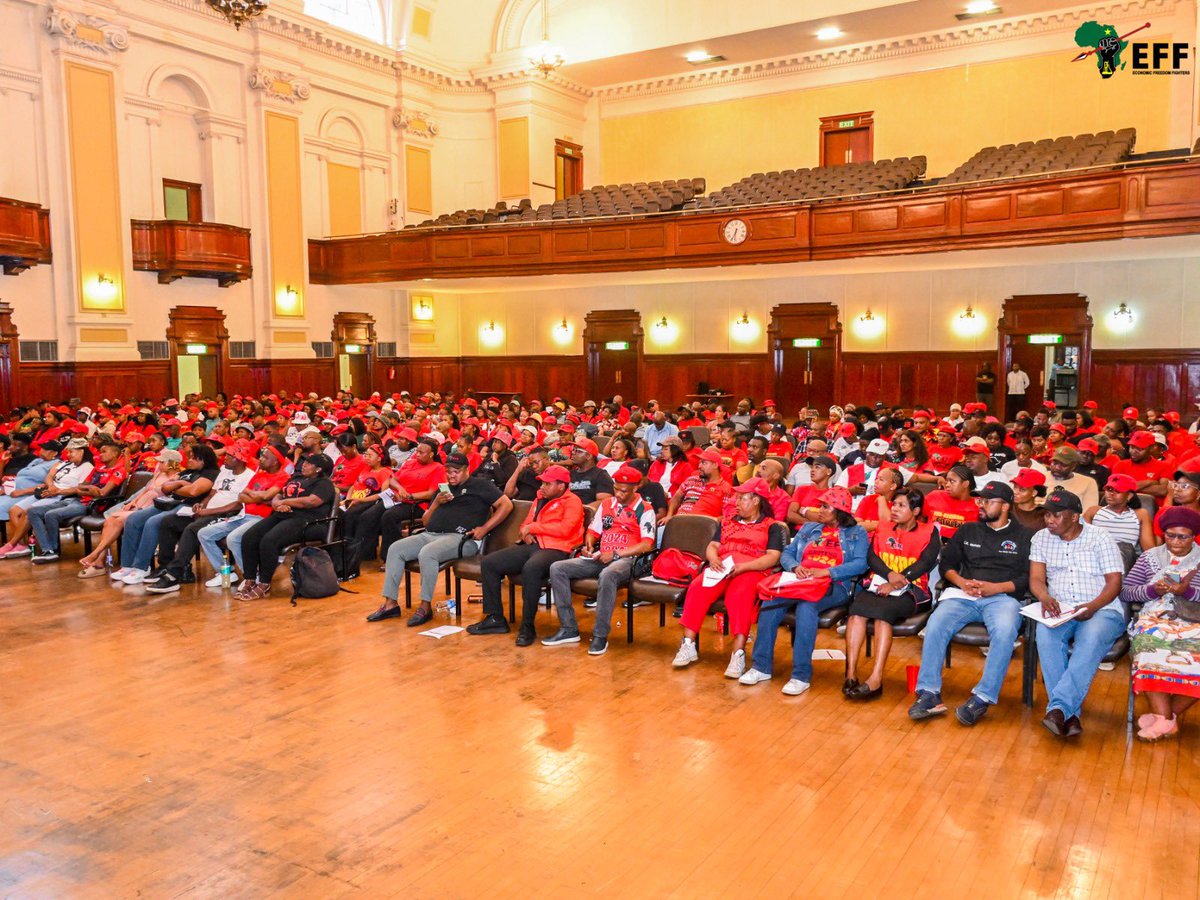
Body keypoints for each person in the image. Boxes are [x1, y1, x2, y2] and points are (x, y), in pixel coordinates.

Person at [909, 482, 1034, 726]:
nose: (981, 505)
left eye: (988, 501)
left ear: (1005, 506)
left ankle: (983, 697)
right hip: (963, 594)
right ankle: (929, 693)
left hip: (1002, 597)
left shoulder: (1025, 536)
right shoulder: (968, 530)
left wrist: (996, 588)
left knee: (1005, 632)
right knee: (935, 624)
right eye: (980, 500)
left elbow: (1028, 577)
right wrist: (962, 582)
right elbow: (947, 565)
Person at [737, 486, 867, 695]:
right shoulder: (809, 528)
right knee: (770, 603)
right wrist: (795, 567)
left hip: (834, 584)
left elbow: (861, 564)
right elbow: (787, 553)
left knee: (807, 607)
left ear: (840, 511)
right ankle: (761, 667)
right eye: (820, 506)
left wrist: (828, 572)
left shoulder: (857, 533)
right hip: (800, 580)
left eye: (825, 507)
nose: (819, 510)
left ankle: (800, 675)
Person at [369, 452, 514, 627]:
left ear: (467, 470)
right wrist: (437, 502)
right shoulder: (443, 489)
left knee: (428, 553)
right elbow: (425, 521)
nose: (451, 476)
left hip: (462, 539)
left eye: (456, 472)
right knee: (395, 548)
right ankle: (390, 604)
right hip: (430, 534)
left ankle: (425, 606)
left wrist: (485, 528)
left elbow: (506, 505)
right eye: (448, 471)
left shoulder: (481, 485)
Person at [1031, 487, 1126, 738]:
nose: (1049, 520)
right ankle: (1068, 714)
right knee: (1046, 636)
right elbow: (1036, 579)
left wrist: (1091, 607)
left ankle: (1058, 708)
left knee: (1090, 639)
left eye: (1056, 515)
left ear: (1075, 517)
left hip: (1102, 608)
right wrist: (1044, 596)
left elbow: (1114, 583)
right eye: (1046, 514)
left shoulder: (1100, 537)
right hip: (1060, 607)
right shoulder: (1040, 538)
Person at [672, 477, 788, 679]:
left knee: (739, 595)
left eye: (742, 498)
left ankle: (738, 653)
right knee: (698, 587)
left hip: (751, 569)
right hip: (724, 566)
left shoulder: (772, 526)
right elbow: (713, 546)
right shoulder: (727, 521)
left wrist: (745, 567)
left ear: (756, 501)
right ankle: (688, 644)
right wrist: (713, 558)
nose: (736, 502)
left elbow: (773, 557)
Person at [542, 465, 656, 655]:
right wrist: (588, 545)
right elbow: (593, 531)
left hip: (629, 560)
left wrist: (616, 554)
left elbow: (647, 545)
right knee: (557, 568)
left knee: (608, 574)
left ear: (635, 488)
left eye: (624, 491)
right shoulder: (607, 504)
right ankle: (568, 628)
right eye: (616, 489)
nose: (618, 494)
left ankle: (600, 635)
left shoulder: (645, 509)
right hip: (601, 556)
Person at [467, 464, 584, 645]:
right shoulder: (539, 499)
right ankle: (495, 618)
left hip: (558, 549)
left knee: (532, 568)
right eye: (542, 483)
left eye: (547, 484)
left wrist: (533, 528)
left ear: (561, 486)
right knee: (489, 562)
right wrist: (525, 532)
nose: (542, 487)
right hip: (533, 545)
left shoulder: (572, 501)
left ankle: (527, 626)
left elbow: (566, 529)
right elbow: (526, 524)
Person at [843, 488, 941, 699]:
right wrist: (889, 575)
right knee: (856, 612)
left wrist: (898, 582)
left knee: (882, 616)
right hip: (880, 583)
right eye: (894, 504)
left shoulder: (930, 531)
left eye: (901, 505)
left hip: (913, 590)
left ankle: (876, 679)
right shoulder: (883, 527)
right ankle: (850, 674)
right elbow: (872, 557)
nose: (894, 509)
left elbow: (926, 562)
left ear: (916, 511)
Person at [1123, 506, 1200, 742]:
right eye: (1170, 535)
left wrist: (1188, 592)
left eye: (1182, 537)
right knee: (1148, 645)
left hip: (1195, 619)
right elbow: (1126, 591)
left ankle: (1165, 718)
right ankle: (1166, 718)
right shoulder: (1150, 557)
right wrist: (1151, 590)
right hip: (1155, 617)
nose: (1175, 542)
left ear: (1194, 536)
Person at [144, 443, 257, 593]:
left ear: (239, 460)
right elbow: (212, 494)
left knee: (192, 529)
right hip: (208, 512)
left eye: (230, 456)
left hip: (226, 515)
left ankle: (173, 575)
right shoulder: (224, 470)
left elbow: (238, 505)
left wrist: (209, 512)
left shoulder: (249, 476)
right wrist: (201, 505)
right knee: (169, 522)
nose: (225, 458)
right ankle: (165, 566)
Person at [235, 453, 338, 600]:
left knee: (269, 540)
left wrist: (285, 502)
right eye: (305, 462)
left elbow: (311, 501)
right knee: (249, 537)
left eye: (309, 463)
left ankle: (264, 583)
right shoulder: (297, 478)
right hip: (283, 515)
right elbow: (280, 494)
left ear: (318, 469)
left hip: (308, 520)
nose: (304, 465)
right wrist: (277, 503)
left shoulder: (324, 484)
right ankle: (250, 579)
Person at [112, 444, 218, 583]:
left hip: (187, 506)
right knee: (133, 519)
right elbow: (165, 488)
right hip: (168, 502)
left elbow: (194, 491)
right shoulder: (187, 472)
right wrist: (182, 484)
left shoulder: (210, 473)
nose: (189, 460)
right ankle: (127, 565)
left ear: (203, 460)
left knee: (153, 522)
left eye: (193, 458)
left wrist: (178, 484)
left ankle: (141, 567)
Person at [196, 445, 289, 588]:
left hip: (262, 519)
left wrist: (256, 496)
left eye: (265, 457)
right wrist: (260, 498)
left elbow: (268, 496)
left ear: (276, 461)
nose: (260, 459)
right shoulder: (259, 475)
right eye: (261, 456)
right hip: (243, 515)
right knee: (204, 533)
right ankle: (225, 573)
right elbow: (241, 496)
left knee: (233, 538)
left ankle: (250, 577)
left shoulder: (283, 477)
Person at [24, 439, 129, 565]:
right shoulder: (98, 468)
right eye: (100, 452)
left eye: (104, 452)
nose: (100, 455)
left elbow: (102, 493)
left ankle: (51, 551)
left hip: (90, 505)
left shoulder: (119, 471)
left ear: (115, 454)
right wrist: (89, 489)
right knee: (33, 511)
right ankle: (49, 549)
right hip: (75, 499)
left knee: (51, 514)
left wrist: (88, 490)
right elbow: (80, 487)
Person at [0, 439, 87, 555]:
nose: (42, 451)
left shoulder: (59, 463)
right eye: (42, 448)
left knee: (29, 511)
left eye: (46, 449)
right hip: (39, 492)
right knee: (13, 510)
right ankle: (21, 544)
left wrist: (53, 489)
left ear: (54, 453)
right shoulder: (38, 461)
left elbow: (77, 488)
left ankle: (14, 543)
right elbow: (48, 478)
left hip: (41, 493)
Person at [1083, 473, 1154, 551]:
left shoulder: (1140, 514)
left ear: (1129, 495)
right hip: (1096, 553)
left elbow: (1149, 549)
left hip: (1125, 555)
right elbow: (1081, 540)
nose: (1111, 494)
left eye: (1117, 491)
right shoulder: (1093, 511)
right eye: (1109, 489)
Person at [664, 448, 731, 521]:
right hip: (679, 521)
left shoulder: (725, 488)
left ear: (715, 465)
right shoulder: (691, 480)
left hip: (701, 525)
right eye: (700, 463)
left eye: (704, 463)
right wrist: (669, 515)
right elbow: (676, 497)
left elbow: (728, 515)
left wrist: (714, 520)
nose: (699, 466)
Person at [1047, 446, 1100, 511]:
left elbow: (1088, 512)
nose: (1057, 467)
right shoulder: (1042, 476)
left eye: (1063, 465)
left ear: (1073, 466)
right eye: (1055, 463)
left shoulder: (1089, 482)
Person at [565, 438, 615, 505]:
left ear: (588, 456)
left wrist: (580, 509)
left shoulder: (601, 475)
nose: (573, 453)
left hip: (587, 509)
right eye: (573, 450)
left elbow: (604, 502)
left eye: (578, 451)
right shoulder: (569, 474)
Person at [1009, 467, 1048, 532]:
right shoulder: (1007, 507)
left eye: (1022, 490)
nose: (1015, 492)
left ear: (1034, 493)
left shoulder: (1043, 514)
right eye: (1015, 487)